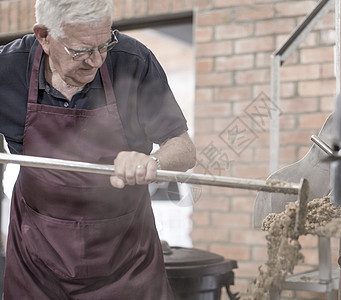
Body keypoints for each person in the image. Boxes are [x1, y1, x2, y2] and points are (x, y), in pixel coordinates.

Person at [0, 0, 196, 299]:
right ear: (44, 36)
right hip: (36, 258)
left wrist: (151, 161)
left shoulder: (133, 60)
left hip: (126, 257)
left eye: (104, 45)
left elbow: (184, 149)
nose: (96, 61)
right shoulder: (7, 70)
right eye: (81, 51)